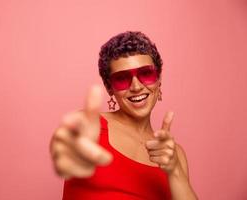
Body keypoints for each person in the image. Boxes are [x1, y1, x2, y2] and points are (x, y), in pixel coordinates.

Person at [49, 31, 198, 200]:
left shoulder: (174, 153)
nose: (136, 86)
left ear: (158, 79)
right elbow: (69, 139)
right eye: (122, 78)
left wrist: (175, 171)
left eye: (146, 73)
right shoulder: (91, 125)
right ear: (109, 88)